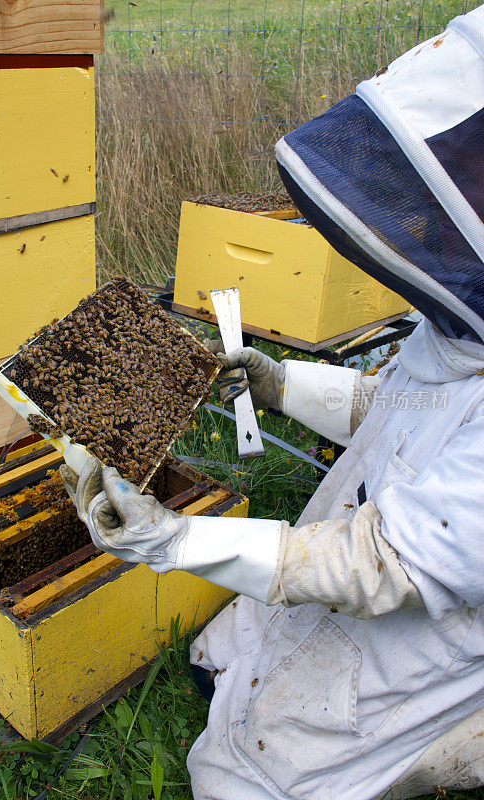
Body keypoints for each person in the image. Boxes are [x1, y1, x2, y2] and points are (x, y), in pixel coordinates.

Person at [61, 6, 484, 798]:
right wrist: (281, 384)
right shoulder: (469, 341)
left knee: (240, 774)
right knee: (233, 647)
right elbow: (402, 410)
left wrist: (176, 542)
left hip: (427, 624)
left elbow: (379, 564)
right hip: (379, 545)